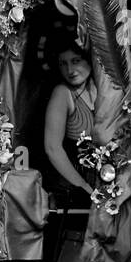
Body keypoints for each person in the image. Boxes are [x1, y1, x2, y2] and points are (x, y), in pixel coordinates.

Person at [42, 36, 97, 204]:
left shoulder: (104, 88)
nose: (70, 70)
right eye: (63, 64)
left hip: (107, 179)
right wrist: (84, 186)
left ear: (89, 60)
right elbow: (52, 148)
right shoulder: (63, 93)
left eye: (75, 61)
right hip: (75, 185)